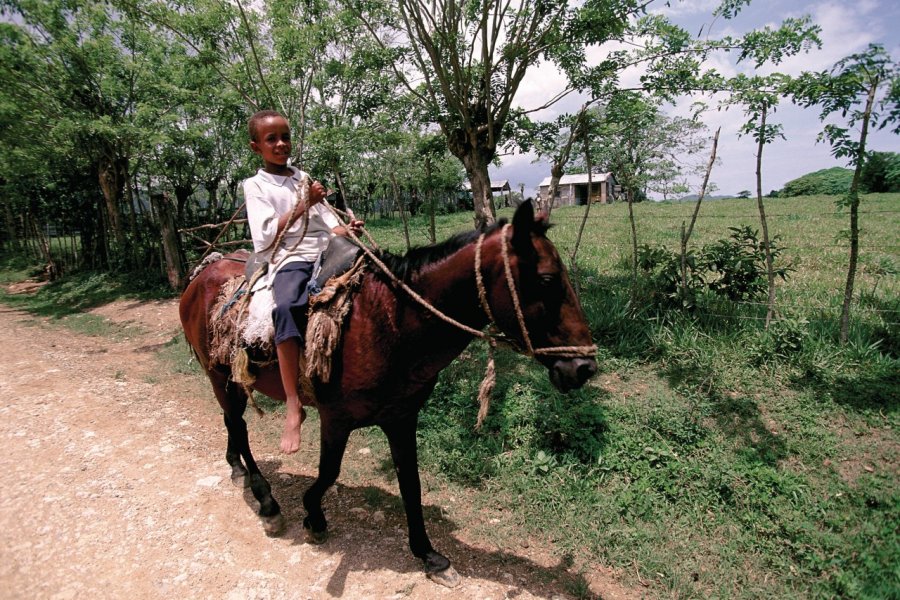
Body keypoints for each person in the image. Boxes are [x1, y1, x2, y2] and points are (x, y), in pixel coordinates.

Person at [243, 110, 363, 454]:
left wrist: (346, 229)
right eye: (271, 139)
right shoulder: (256, 186)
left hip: (326, 248)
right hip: (290, 257)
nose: (281, 144)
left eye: (285, 137)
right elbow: (264, 238)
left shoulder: (302, 176)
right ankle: (293, 403)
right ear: (257, 147)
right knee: (287, 307)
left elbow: (327, 225)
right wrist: (303, 203)